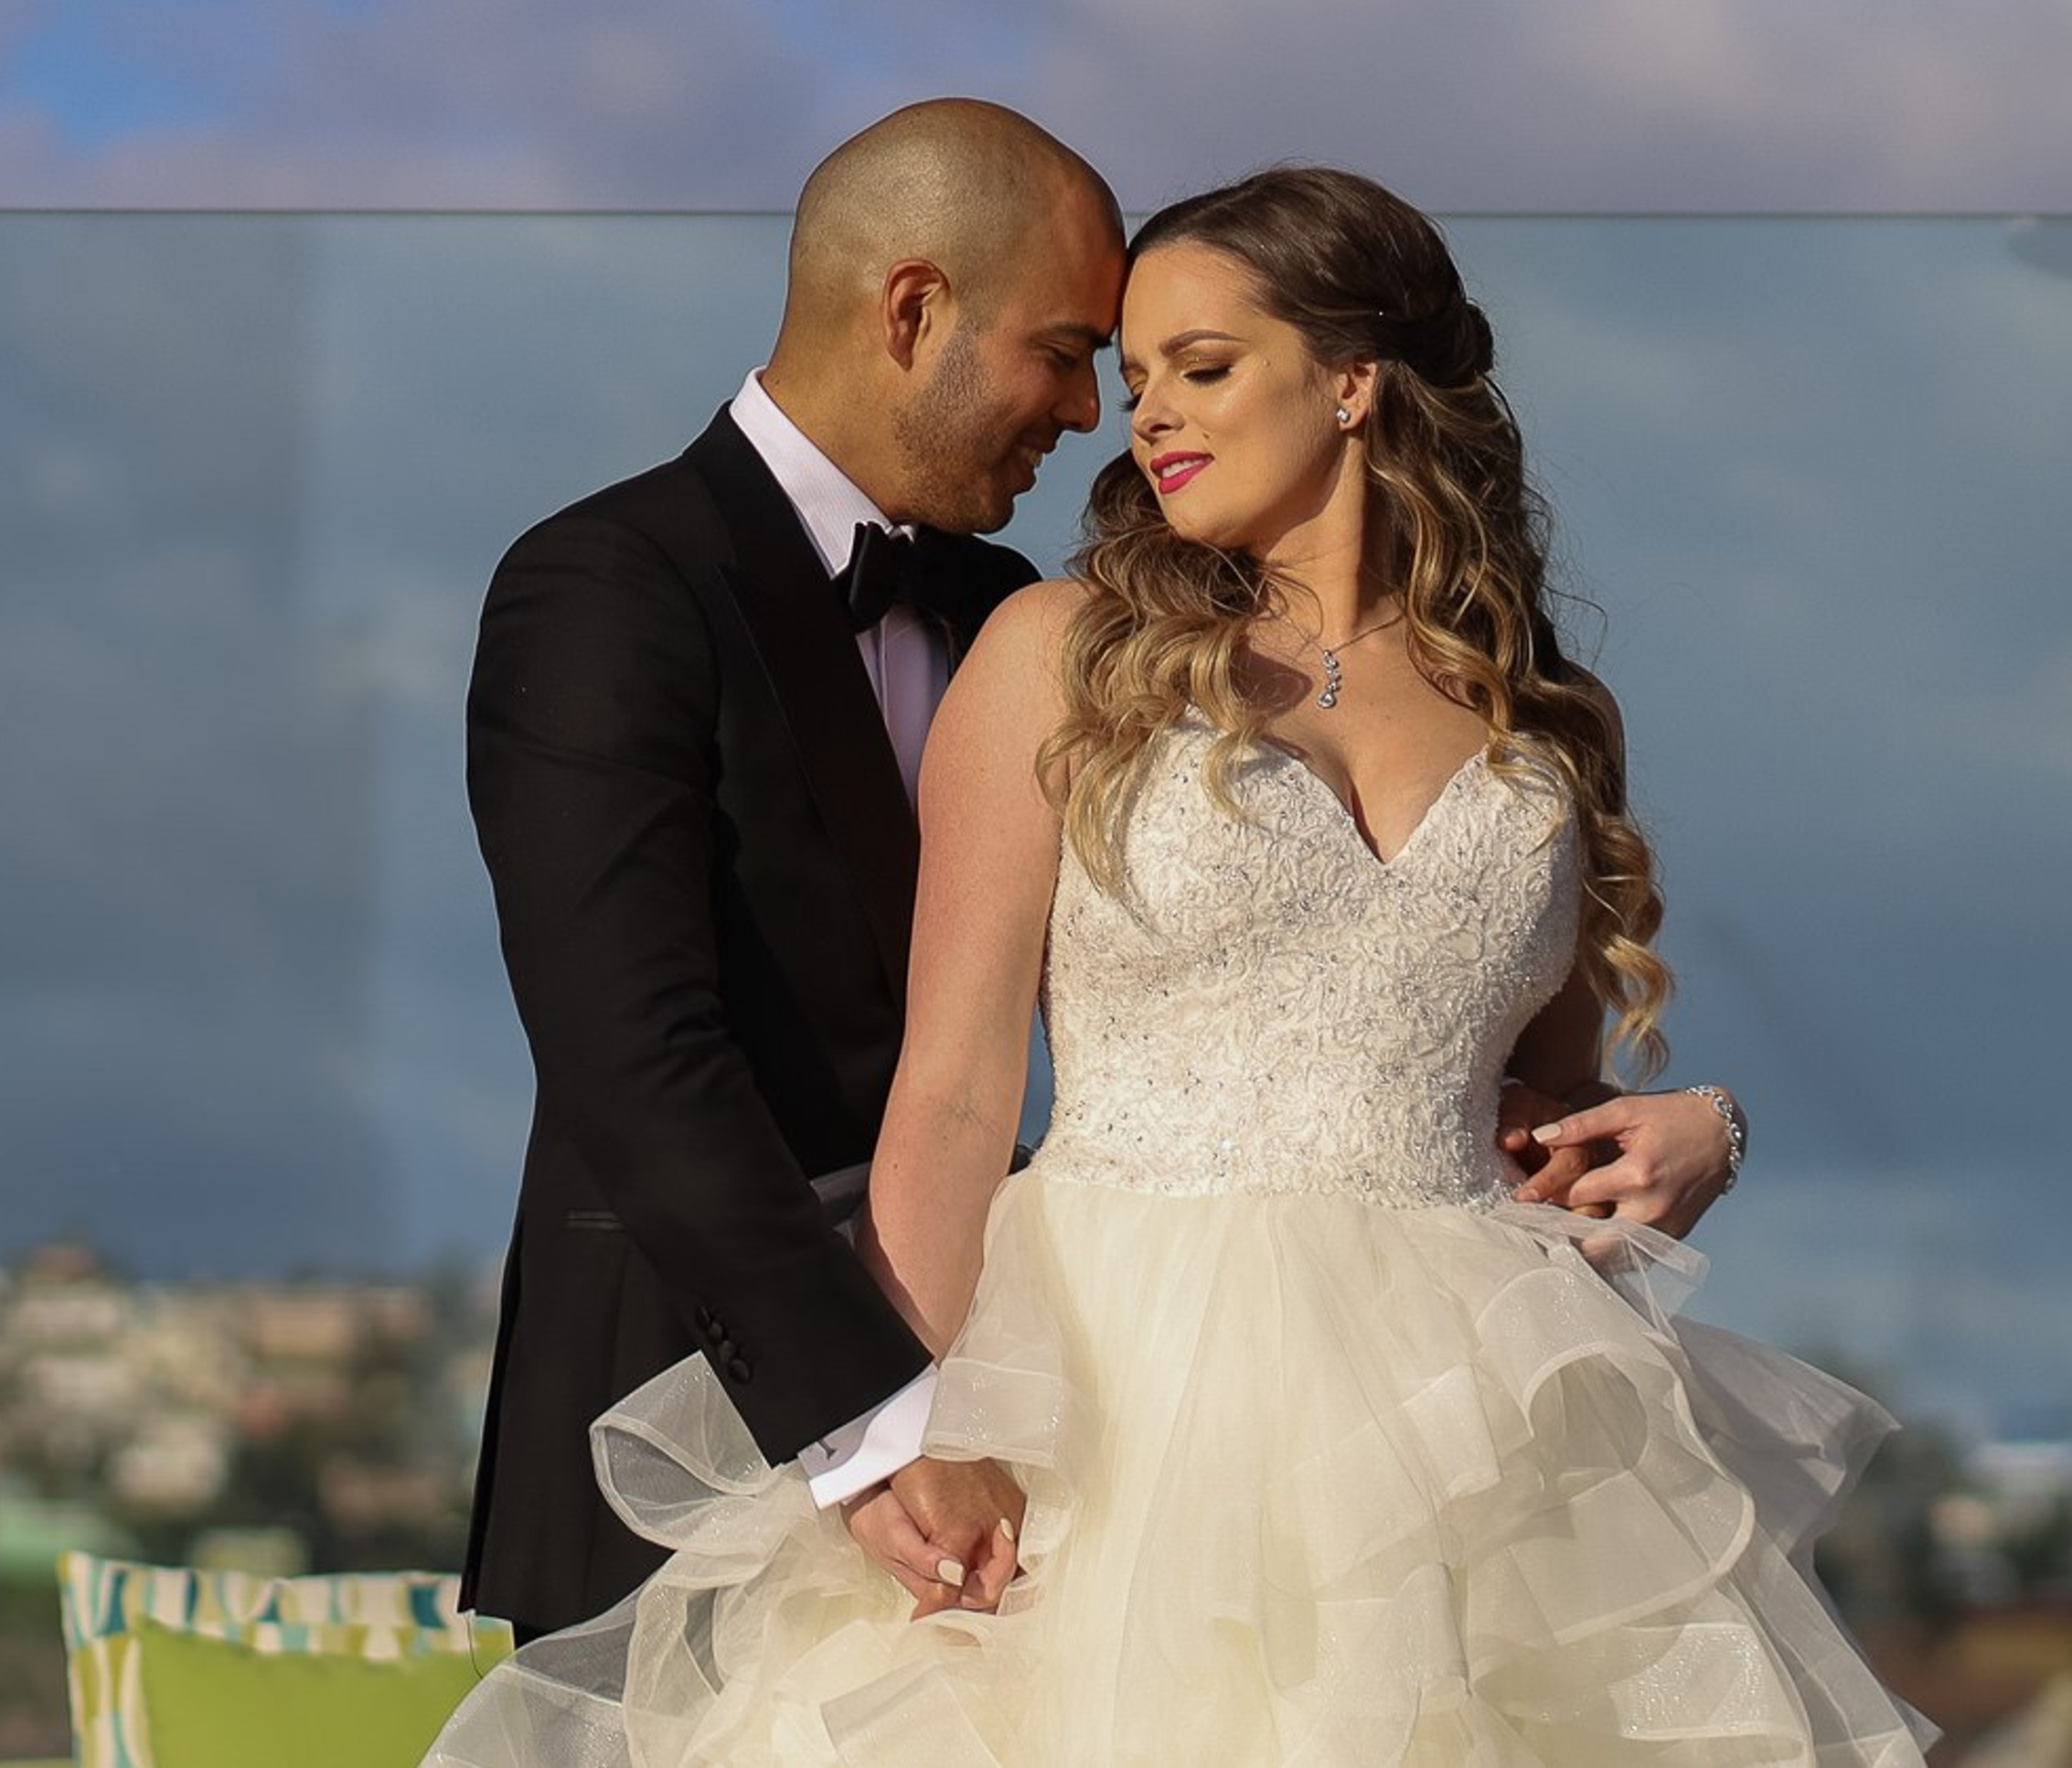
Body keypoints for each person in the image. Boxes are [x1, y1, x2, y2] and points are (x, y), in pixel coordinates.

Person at [434, 164, 1926, 1768]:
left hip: (1463, 1410)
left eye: (1194, 369)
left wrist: (1701, 1132)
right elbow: (951, 1091)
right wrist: (914, 1430)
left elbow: (1535, 1103)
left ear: (1353, 382)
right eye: (1125, 371)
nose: (1132, 416)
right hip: (1116, 1373)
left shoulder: (1549, 716)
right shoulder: (1061, 651)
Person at [459, 97, 1129, 1634]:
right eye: (1064, 350)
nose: (1090, 410)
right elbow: (633, 1050)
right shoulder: (610, 584)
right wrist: (878, 1424)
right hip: (687, 1422)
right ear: (915, 310)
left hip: (1006, 1407)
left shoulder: (1013, 611)